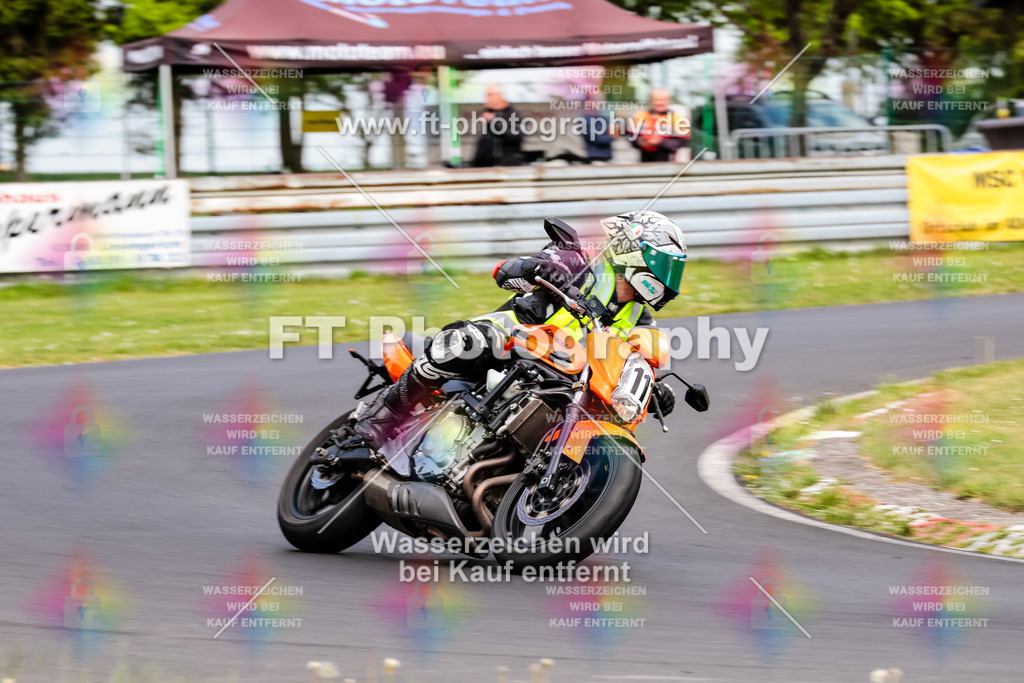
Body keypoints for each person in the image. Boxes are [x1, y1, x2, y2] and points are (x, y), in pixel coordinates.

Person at [353, 210, 686, 449]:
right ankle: (382, 416)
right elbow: (505, 272)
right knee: (470, 341)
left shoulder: (638, 316)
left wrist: (655, 390)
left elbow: (637, 357)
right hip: (515, 341)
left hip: (563, 377)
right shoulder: (583, 262)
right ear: (635, 251)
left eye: (674, 269)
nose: (669, 277)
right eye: (665, 264)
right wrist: (537, 268)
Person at [470, 84, 524, 167]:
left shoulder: (513, 114)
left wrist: (494, 122)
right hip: (488, 167)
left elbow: (515, 137)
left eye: (489, 95)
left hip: (506, 166)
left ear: (499, 95)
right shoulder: (489, 112)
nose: (486, 98)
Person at [631, 89, 690, 163]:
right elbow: (631, 138)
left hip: (668, 161)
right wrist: (639, 142)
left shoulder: (676, 119)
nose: (659, 103)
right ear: (651, 100)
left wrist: (660, 142)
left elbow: (682, 142)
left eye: (663, 100)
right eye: (656, 100)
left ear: (668, 101)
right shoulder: (639, 116)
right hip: (644, 161)